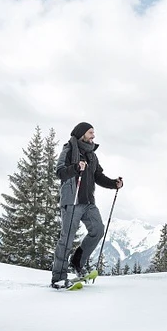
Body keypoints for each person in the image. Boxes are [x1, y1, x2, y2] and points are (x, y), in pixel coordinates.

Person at [51, 122, 124, 288]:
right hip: (72, 201)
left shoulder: (92, 155)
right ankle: (58, 278)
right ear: (82, 133)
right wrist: (76, 167)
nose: (93, 136)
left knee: (97, 231)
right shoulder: (69, 149)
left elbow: (98, 175)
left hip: (88, 202)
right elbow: (60, 171)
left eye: (94, 133)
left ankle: (77, 261)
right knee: (67, 239)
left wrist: (114, 184)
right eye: (91, 132)